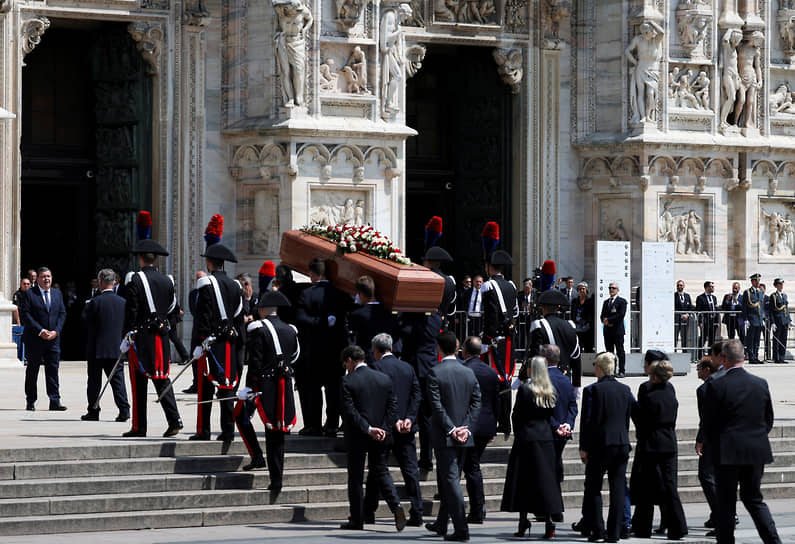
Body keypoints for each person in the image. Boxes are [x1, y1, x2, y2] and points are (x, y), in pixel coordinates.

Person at [701, 338, 781, 544]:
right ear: (744, 357)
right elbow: (768, 419)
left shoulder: (716, 386)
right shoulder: (760, 383)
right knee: (754, 499)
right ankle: (773, 541)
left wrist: (708, 442)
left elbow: (709, 422)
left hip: (727, 452)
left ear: (723, 359)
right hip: (756, 450)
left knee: (726, 504)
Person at [121, 214, 183, 438]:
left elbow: (132, 310)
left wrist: (126, 334)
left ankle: (139, 426)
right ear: (155, 259)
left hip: (142, 337)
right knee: (161, 377)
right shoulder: (168, 280)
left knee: (138, 382)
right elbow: (173, 308)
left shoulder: (134, 279)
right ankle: (174, 418)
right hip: (162, 336)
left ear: (140, 259)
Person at [234, 290, 299, 495]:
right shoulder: (290, 330)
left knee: (243, 417)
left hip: (263, 386)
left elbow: (254, 362)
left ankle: (261, 461)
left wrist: (249, 388)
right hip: (283, 386)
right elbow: (295, 356)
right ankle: (272, 473)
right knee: (276, 434)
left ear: (263, 310)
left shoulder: (258, 329)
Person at [339, 345, 407, 532]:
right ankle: (397, 507)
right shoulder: (384, 379)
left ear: (350, 361)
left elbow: (350, 412)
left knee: (355, 477)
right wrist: (383, 428)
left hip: (358, 436)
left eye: (346, 363)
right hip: (382, 435)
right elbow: (393, 407)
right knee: (382, 472)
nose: (347, 367)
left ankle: (357, 519)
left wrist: (369, 429)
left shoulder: (348, 381)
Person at [425, 331, 481, 542]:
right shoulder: (468, 372)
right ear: (457, 347)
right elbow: (477, 401)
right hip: (464, 435)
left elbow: (436, 406)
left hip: (446, 435)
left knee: (451, 480)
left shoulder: (435, 372)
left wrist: (451, 428)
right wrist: (465, 427)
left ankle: (461, 528)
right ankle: (442, 523)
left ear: (438, 348)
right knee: (452, 479)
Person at [364, 333, 423, 526]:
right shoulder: (407, 367)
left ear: (376, 350)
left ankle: (369, 511)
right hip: (407, 427)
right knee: (410, 470)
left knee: (377, 469)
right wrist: (409, 417)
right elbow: (416, 394)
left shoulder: (375, 367)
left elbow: (382, 398)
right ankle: (417, 511)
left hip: (385, 428)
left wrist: (395, 419)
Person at [501, 356, 563, 539]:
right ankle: (549, 522)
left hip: (527, 437)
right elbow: (551, 414)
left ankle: (523, 520)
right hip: (545, 438)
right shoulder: (550, 389)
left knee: (523, 481)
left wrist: (518, 430)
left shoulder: (525, 389)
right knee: (546, 481)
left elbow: (517, 414)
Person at [579, 351, 634, 543]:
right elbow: (627, 418)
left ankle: (598, 529)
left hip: (599, 445)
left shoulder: (592, 390)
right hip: (620, 443)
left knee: (593, 487)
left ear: (600, 368)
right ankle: (614, 532)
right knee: (618, 488)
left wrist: (583, 447)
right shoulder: (625, 390)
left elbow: (587, 422)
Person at [191, 240, 243, 442]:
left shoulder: (205, 283)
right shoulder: (235, 285)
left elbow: (202, 317)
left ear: (209, 264)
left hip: (209, 343)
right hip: (229, 343)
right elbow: (238, 314)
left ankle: (203, 430)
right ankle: (228, 430)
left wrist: (198, 344)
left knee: (205, 386)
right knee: (227, 385)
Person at [630, 358, 688, 539]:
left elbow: (641, 420)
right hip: (669, 441)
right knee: (670, 486)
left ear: (654, 378)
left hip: (651, 443)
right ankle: (678, 527)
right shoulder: (670, 391)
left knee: (646, 487)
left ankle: (642, 527)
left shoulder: (649, 396)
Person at [296, 258, 352, 437]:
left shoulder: (307, 294)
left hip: (315, 349)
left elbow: (301, 319)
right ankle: (332, 424)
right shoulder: (341, 293)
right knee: (334, 388)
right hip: (337, 350)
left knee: (314, 389)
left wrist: (319, 322)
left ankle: (314, 424)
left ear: (313, 273)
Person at [80, 268, 130, 422]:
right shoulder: (123, 302)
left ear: (100, 282)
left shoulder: (94, 302)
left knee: (94, 381)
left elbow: (85, 320)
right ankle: (124, 410)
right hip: (116, 348)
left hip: (97, 348)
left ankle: (93, 410)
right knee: (118, 381)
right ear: (114, 282)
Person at [461, 336, 498, 524]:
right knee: (472, 467)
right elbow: (496, 401)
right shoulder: (490, 372)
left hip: (469, 425)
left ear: (465, 351)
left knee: (471, 468)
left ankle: (477, 509)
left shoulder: (464, 370)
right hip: (486, 425)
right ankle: (477, 507)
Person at [481, 249, 519, 435]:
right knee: (507, 379)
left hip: (495, 340)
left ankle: (497, 419)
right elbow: (516, 313)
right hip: (509, 340)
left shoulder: (488, 286)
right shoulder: (511, 285)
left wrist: (486, 340)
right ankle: (506, 421)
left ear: (489, 267)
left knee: (495, 379)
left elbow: (490, 318)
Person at [19, 267, 67, 411]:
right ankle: (31, 400)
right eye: (43, 277)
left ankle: (54, 400)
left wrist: (56, 332)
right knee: (32, 371)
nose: (46, 279)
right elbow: (26, 315)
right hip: (35, 339)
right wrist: (40, 331)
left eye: (48, 276)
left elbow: (62, 314)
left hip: (53, 340)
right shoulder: (29, 294)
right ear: (37, 279)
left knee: (53, 371)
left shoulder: (57, 294)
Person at [540, 344, 577, 497]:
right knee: (556, 463)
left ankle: (550, 504)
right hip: (562, 430)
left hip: (548, 430)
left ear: (544, 359)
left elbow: (542, 409)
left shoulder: (542, 380)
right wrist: (567, 424)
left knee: (547, 468)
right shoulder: (566, 379)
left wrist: (556, 426)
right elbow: (573, 406)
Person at [529, 289, 582, 387]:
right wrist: (576, 384)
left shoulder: (539, 326)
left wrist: (523, 378)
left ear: (543, 308)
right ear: (558, 307)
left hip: (545, 379)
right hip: (565, 378)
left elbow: (534, 356)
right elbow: (576, 357)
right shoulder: (570, 326)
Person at [349, 276, 399, 366]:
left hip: (367, 359)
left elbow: (352, 333)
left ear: (361, 294)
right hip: (385, 358)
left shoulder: (358, 314)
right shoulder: (388, 312)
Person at [695, 355, 720, 534]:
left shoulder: (704, 389)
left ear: (707, 370)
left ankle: (721, 515)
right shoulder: (722, 383)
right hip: (726, 439)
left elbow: (705, 418)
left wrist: (700, 439)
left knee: (706, 476)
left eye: (699, 368)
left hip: (711, 439)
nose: (697, 371)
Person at [182, 270, 206, 395]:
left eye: (201, 278)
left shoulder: (209, 292)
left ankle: (207, 384)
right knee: (194, 358)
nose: (199, 280)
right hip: (196, 330)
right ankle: (196, 383)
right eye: (197, 278)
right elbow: (193, 310)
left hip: (207, 331)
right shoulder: (193, 293)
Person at [422, 246, 457, 329]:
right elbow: (452, 307)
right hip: (442, 324)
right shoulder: (449, 281)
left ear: (428, 262)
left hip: (426, 325)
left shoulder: (425, 279)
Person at [600, 282, 628, 377]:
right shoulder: (606, 302)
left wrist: (610, 321)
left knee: (620, 351)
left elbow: (621, 315)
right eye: (610, 288)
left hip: (617, 330)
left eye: (613, 288)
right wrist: (605, 321)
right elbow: (602, 315)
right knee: (609, 352)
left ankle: (621, 370)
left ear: (617, 290)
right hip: (607, 331)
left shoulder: (622, 301)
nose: (611, 290)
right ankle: (611, 371)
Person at [742, 273, 765, 363]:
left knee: (757, 339)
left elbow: (761, 306)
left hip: (758, 320)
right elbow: (744, 307)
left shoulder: (760, 292)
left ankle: (756, 356)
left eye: (759, 280)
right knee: (750, 340)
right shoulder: (747, 292)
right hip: (751, 319)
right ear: (752, 281)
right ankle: (751, 357)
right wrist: (746, 319)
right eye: (756, 280)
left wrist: (762, 318)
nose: (758, 282)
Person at [769, 278, 790, 364]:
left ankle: (782, 357)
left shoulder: (784, 295)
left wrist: (789, 320)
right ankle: (776, 357)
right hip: (777, 321)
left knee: (783, 340)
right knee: (777, 340)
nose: (781, 286)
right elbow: (771, 311)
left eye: (782, 284)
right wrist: (772, 322)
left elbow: (786, 309)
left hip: (784, 321)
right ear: (776, 285)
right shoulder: (773, 296)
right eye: (779, 284)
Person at [696, 281, 719, 359]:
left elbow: (716, 309)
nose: (713, 288)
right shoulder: (700, 298)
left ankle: (710, 355)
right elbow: (698, 311)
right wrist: (700, 322)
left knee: (712, 340)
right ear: (706, 288)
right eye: (711, 287)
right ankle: (699, 355)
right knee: (703, 338)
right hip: (705, 321)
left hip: (713, 321)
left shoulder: (714, 298)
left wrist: (717, 321)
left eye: (713, 287)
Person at [571, 281, 595, 353]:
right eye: (580, 289)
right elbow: (573, 313)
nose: (581, 290)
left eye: (583, 289)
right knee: (578, 346)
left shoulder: (590, 300)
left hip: (587, 327)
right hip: (577, 326)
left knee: (588, 346)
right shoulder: (575, 301)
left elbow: (591, 313)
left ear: (586, 290)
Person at [674, 280, 693, 352]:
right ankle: (674, 351)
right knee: (675, 336)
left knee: (684, 336)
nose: (679, 287)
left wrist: (687, 314)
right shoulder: (674, 296)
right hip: (676, 319)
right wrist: (681, 315)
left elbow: (690, 307)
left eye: (681, 285)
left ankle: (684, 351)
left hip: (685, 320)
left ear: (684, 286)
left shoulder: (687, 296)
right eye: (678, 285)